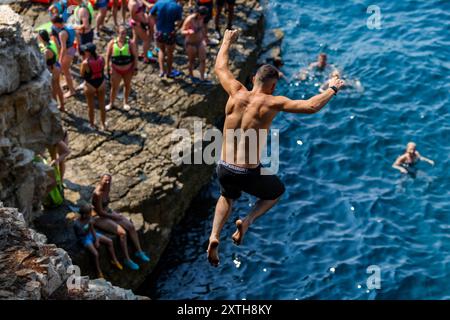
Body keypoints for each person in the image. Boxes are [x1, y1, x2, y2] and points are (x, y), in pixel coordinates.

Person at [207, 30, 345, 267]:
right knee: (275, 192)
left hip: (224, 166)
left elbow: (220, 67)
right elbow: (311, 106)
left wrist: (227, 41)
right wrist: (332, 88)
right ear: (272, 87)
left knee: (226, 196)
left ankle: (214, 235)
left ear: (253, 80)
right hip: (247, 171)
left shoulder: (235, 91)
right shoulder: (273, 102)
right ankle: (247, 221)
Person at [92, 174, 150, 270]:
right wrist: (114, 216)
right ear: (100, 180)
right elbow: (100, 212)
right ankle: (127, 259)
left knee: (130, 226)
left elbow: (105, 207)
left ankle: (139, 251)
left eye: (109, 181)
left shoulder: (107, 188)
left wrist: (113, 214)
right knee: (122, 233)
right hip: (97, 217)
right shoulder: (97, 194)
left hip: (107, 212)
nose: (107, 182)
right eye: (105, 180)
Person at [74, 204, 123, 279]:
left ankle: (114, 260)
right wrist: (90, 225)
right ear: (84, 215)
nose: (91, 215)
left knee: (109, 241)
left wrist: (96, 239)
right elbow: (81, 234)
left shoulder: (89, 218)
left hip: (90, 234)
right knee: (96, 254)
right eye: (89, 214)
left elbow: (92, 230)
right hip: (84, 238)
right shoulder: (77, 224)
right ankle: (98, 271)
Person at [105, 25, 138, 111]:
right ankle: (111, 103)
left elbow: (135, 56)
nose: (124, 35)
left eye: (125, 33)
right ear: (117, 33)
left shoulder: (130, 43)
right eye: (122, 33)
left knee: (127, 85)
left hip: (128, 69)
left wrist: (135, 68)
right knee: (114, 87)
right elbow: (107, 56)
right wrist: (107, 67)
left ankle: (125, 102)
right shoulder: (112, 43)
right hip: (116, 69)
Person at [150, 0, 183, 78]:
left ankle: (161, 71)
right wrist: (177, 28)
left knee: (161, 50)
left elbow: (151, 14)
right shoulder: (177, 6)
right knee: (170, 53)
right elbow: (179, 21)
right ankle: (169, 72)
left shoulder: (159, 3)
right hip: (170, 32)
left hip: (159, 31)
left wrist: (155, 24)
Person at [80, 43, 107, 130]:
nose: (84, 52)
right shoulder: (102, 58)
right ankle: (104, 125)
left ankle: (92, 125)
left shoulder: (85, 63)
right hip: (101, 83)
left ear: (89, 52)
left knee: (91, 107)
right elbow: (102, 69)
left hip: (90, 85)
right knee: (102, 105)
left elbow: (82, 74)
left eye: (85, 51)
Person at [38, 29, 65, 112]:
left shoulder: (46, 51)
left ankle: (55, 107)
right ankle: (62, 106)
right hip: (57, 65)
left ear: (41, 38)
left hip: (52, 69)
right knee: (58, 87)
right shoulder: (52, 43)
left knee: (53, 90)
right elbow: (58, 48)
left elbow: (43, 63)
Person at [50, 15, 77, 98]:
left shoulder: (62, 33)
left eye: (54, 24)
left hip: (67, 51)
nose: (53, 26)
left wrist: (60, 59)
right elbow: (76, 36)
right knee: (66, 70)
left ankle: (72, 91)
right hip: (72, 48)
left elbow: (63, 48)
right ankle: (67, 83)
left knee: (66, 71)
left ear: (57, 23)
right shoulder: (69, 26)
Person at [182, 6, 208, 83]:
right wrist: (188, 31)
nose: (202, 17)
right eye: (201, 15)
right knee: (191, 61)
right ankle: (191, 76)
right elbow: (182, 31)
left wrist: (205, 38)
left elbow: (202, 28)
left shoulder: (201, 18)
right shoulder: (190, 19)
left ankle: (202, 78)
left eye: (204, 16)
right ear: (198, 13)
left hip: (200, 42)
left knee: (203, 60)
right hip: (190, 43)